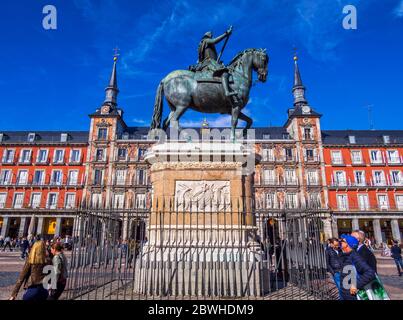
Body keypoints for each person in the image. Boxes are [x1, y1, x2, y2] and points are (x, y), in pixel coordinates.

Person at [190, 27, 235, 98]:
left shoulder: (202, 44)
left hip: (207, 62)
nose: (212, 36)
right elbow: (214, 41)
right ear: (208, 36)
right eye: (211, 35)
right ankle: (227, 92)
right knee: (225, 73)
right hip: (210, 62)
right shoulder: (206, 40)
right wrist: (225, 34)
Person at [339, 234, 376, 300]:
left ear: (347, 244)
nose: (340, 242)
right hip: (345, 294)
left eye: (342, 241)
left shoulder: (355, 256)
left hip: (352, 295)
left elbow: (370, 272)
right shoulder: (346, 255)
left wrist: (355, 284)